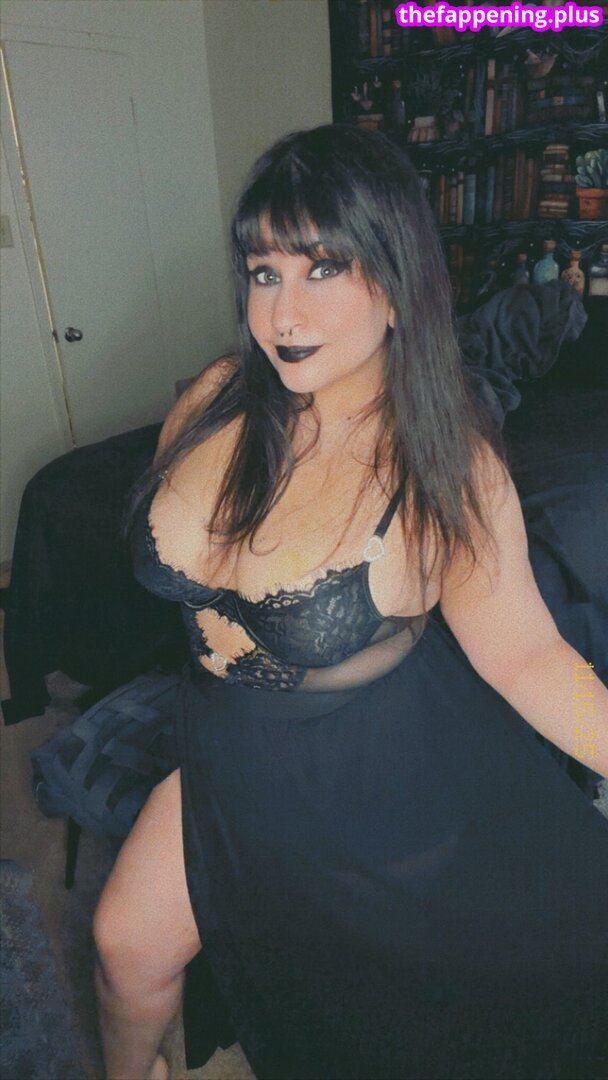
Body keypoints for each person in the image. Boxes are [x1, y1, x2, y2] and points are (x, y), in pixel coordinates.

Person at [93, 125, 608, 1080]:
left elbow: (528, 657)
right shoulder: (215, 397)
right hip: (224, 752)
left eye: (324, 268)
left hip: (370, 783)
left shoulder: (445, 464)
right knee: (125, 949)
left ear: (397, 284)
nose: (282, 312)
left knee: (401, 1023)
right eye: (264, 272)